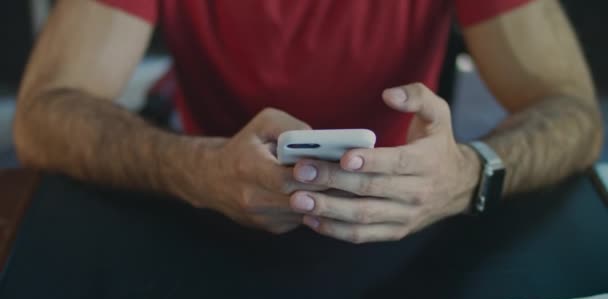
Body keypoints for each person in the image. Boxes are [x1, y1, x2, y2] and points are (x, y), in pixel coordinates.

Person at [13, 0, 603, 244]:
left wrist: (470, 173)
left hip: (417, 212)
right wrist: (194, 167)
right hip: (206, 208)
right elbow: (42, 114)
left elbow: (571, 108)